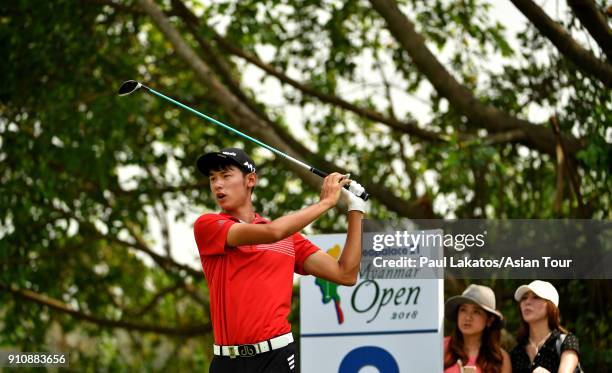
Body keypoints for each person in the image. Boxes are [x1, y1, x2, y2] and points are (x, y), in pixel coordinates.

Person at [192, 148, 366, 373]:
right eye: (213, 178)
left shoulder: (290, 240)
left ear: (250, 180)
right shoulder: (208, 225)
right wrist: (325, 203)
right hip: (227, 362)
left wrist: (356, 210)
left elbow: (346, 274)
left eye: (225, 176)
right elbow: (273, 232)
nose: (217, 185)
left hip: (277, 358)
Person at [510, 280, 581, 373]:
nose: (527, 302)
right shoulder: (516, 352)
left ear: (551, 306)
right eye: (524, 298)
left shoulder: (566, 341)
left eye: (536, 297)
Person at [444, 284, 512, 373]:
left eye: (476, 312)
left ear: (489, 320)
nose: (467, 317)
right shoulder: (441, 347)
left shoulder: (500, 358)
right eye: (463, 310)